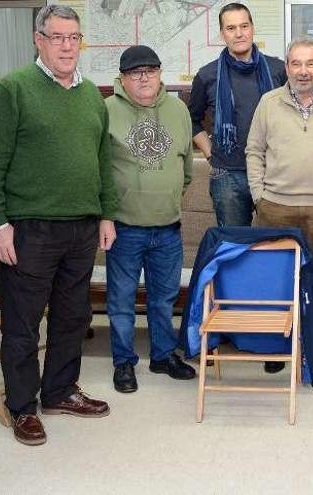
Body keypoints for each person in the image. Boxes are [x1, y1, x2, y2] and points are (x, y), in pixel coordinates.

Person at [0, 4, 115, 446]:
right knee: (22, 322)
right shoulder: (13, 90)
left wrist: (106, 213)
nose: (67, 46)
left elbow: (102, 161)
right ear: (38, 40)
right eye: (57, 37)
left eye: (74, 38)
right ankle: (22, 406)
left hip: (81, 228)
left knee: (73, 317)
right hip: (29, 228)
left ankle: (59, 391)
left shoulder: (92, 94)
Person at [246, 37, 313, 373]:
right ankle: (276, 345)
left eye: (311, 64)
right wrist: (258, 195)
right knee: (275, 278)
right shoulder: (268, 102)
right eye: (296, 63)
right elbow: (254, 152)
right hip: (275, 207)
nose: (304, 71)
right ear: (287, 67)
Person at [105, 45, 197, 393]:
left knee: (163, 298)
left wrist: (167, 193)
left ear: (160, 73)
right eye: (135, 73)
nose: (143, 78)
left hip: (168, 229)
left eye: (150, 70)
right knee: (121, 301)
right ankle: (123, 363)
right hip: (124, 228)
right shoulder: (107, 111)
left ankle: (162, 356)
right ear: (123, 79)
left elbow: (185, 168)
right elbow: (101, 169)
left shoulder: (178, 110)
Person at [188, 2, 287, 228]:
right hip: (229, 175)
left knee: (276, 243)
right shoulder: (207, 75)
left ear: (253, 28)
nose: (239, 33)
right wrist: (210, 153)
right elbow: (191, 121)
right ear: (222, 33)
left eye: (244, 26)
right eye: (231, 28)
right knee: (235, 247)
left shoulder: (279, 70)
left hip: (274, 172)